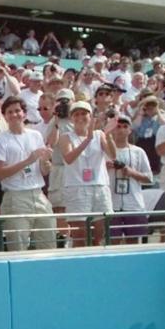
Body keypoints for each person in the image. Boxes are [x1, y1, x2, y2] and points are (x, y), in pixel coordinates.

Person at [0, 96, 56, 251]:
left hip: (38, 194)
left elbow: (43, 169)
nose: (14, 115)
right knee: (18, 248)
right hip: (15, 197)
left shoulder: (36, 136)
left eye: (17, 111)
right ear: (4, 116)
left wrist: (46, 162)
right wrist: (28, 161)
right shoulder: (0, 140)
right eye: (10, 112)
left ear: (24, 113)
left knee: (49, 244)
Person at [59, 100, 116, 247]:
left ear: (90, 116)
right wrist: (87, 140)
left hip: (99, 186)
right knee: (80, 236)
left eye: (84, 113)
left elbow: (113, 155)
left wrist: (108, 135)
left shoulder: (99, 134)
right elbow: (69, 158)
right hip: (76, 188)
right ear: (71, 118)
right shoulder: (66, 137)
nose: (80, 117)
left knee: (99, 236)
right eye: (76, 114)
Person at [108, 113, 153, 244]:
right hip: (112, 204)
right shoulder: (105, 150)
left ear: (130, 130)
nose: (121, 129)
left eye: (124, 126)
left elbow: (149, 178)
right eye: (118, 126)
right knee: (112, 244)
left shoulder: (138, 151)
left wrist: (131, 172)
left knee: (134, 244)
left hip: (133, 204)